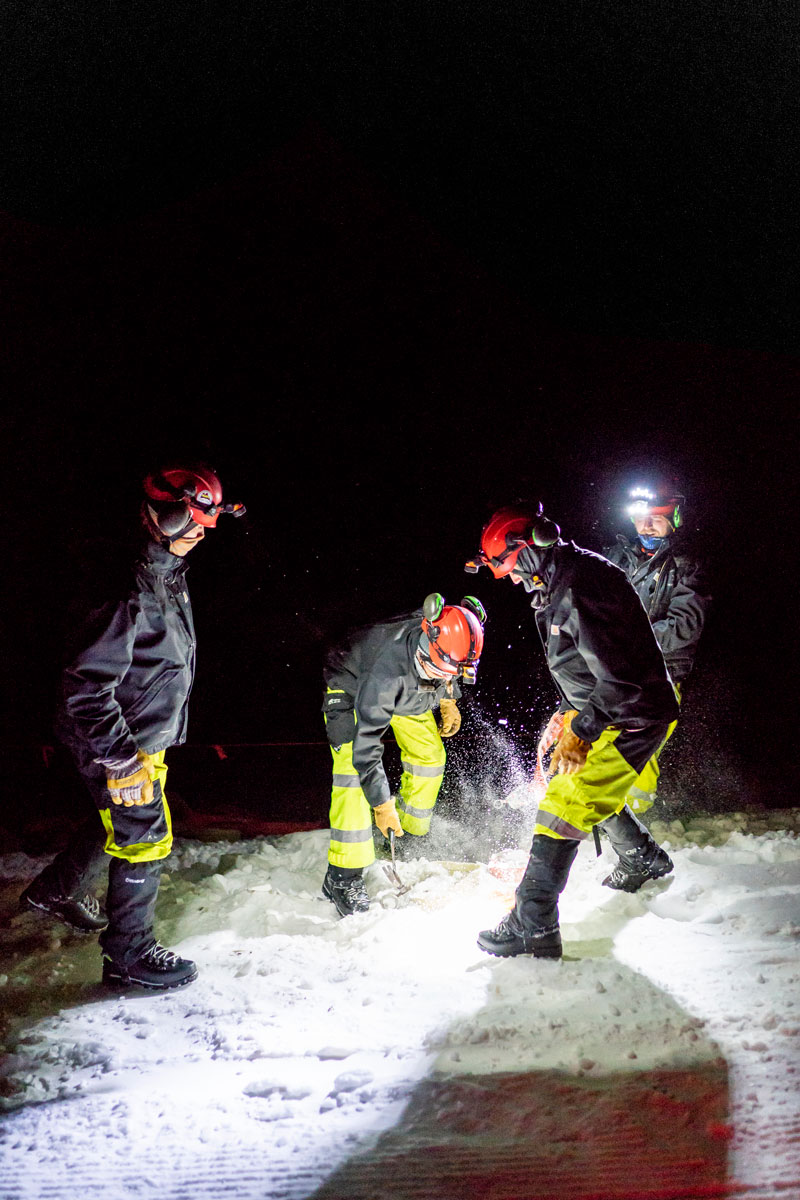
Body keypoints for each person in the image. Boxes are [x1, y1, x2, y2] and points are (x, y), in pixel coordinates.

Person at [20, 463, 245, 990]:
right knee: (144, 834)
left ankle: (56, 889)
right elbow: (86, 688)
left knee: (120, 822)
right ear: (162, 518)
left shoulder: (163, 572)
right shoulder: (128, 588)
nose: (199, 536)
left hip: (141, 730)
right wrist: (120, 760)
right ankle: (129, 956)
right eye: (192, 524)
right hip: (117, 738)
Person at [464, 504, 679, 959]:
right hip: (611, 711)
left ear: (531, 544)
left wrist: (583, 730)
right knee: (580, 786)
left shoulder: (580, 585)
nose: (503, 577)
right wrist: (565, 713)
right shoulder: (558, 584)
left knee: (564, 803)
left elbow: (621, 678)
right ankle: (642, 856)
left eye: (503, 564)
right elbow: (584, 666)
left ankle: (533, 923)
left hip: (631, 716)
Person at [321, 593, 486, 916]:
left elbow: (454, 668)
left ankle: (406, 836)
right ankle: (342, 877)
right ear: (427, 652)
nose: (448, 680)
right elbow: (367, 751)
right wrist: (382, 806)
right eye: (444, 674)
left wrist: (448, 700)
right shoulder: (385, 675)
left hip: (412, 688)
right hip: (354, 684)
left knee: (430, 756)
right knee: (352, 772)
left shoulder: (449, 630)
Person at [598, 478, 711, 889]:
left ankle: (636, 839)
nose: (645, 527)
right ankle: (614, 834)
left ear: (674, 520)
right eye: (639, 519)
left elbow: (686, 624)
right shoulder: (617, 557)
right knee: (597, 749)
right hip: (615, 674)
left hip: (660, 679)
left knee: (637, 763)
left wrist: (631, 638)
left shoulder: (687, 566)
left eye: (655, 520)